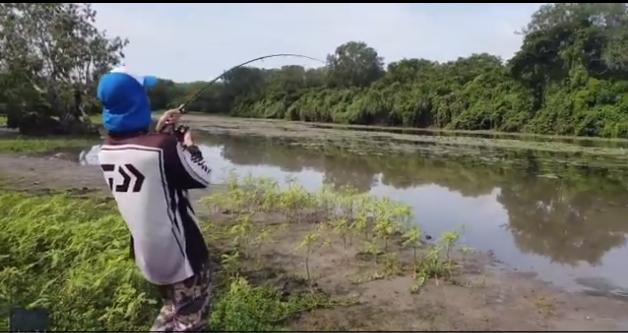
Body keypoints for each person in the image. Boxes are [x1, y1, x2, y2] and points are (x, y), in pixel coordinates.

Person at [96, 66, 213, 332]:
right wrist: (188, 144)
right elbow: (201, 177)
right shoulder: (162, 147)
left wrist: (160, 130)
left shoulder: (105, 151)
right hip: (181, 256)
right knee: (191, 322)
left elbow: (148, 161)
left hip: (148, 256)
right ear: (137, 100)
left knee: (172, 309)